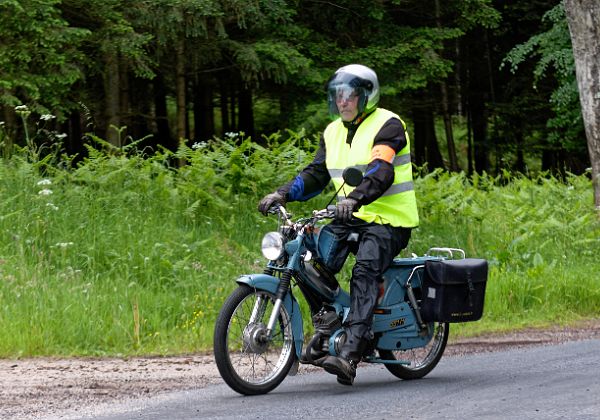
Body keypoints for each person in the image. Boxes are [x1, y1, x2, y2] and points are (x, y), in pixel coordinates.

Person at [258, 64, 419, 385]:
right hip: (348, 218)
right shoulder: (332, 131)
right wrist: (283, 194)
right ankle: (328, 324)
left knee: (365, 270)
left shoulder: (388, 124)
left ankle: (351, 352)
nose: (343, 101)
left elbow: (380, 170)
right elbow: (316, 173)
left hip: (389, 221)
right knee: (309, 259)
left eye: (350, 95)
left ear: (365, 96)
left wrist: (354, 199)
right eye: (338, 96)